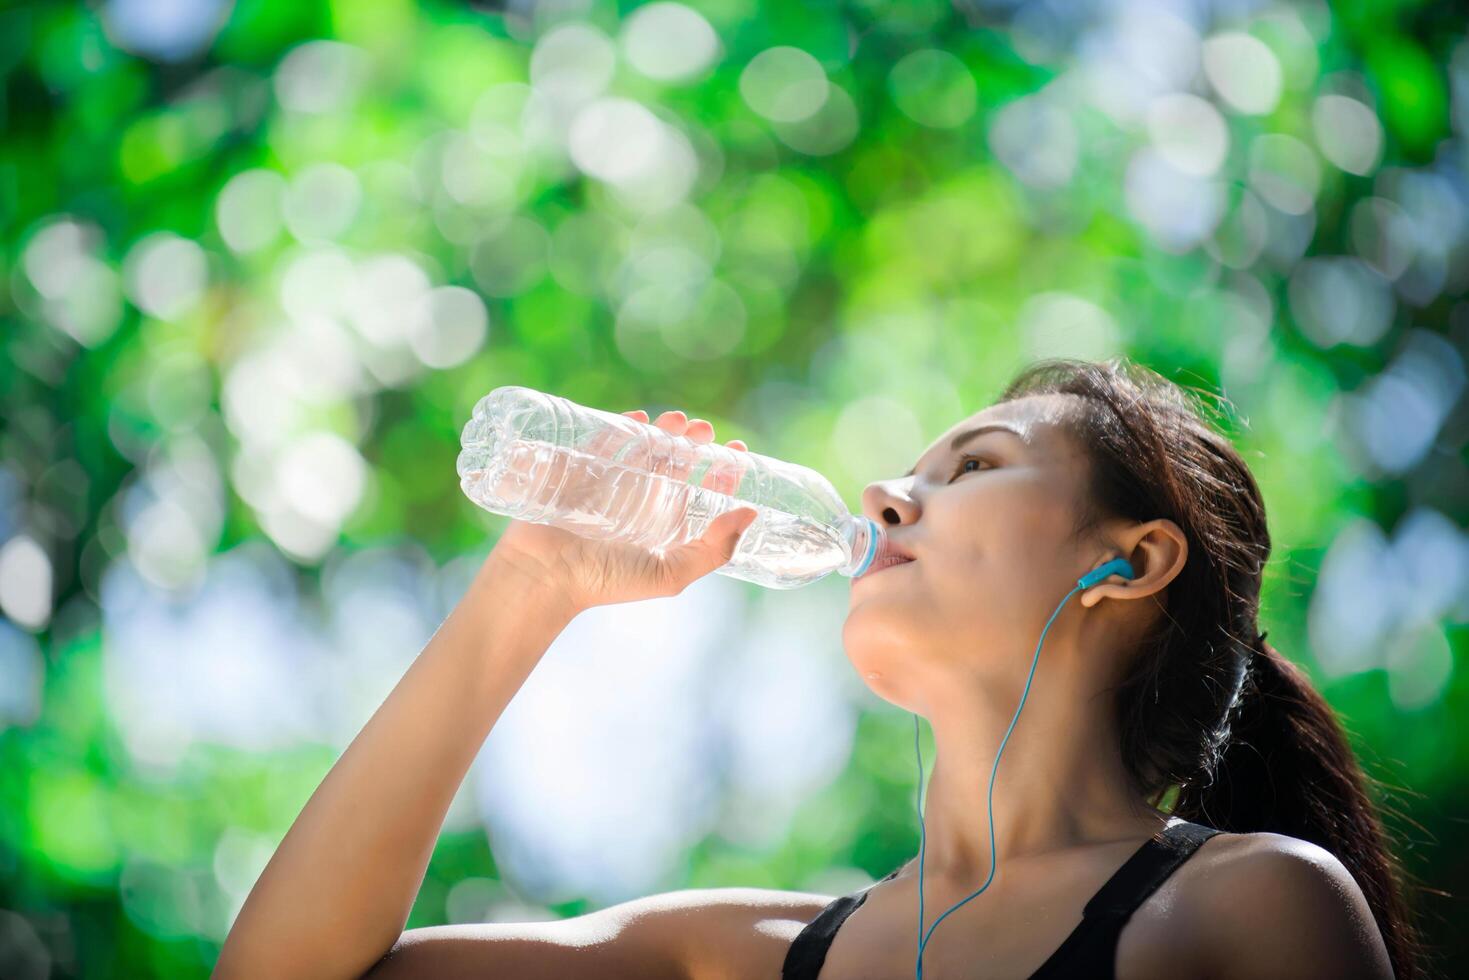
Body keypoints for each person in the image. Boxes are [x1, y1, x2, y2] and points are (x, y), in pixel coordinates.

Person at [214, 357, 1423, 980]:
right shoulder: (739, 949)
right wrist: (528, 586)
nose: (887, 494)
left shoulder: (1247, 902)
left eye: (974, 465)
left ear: (1128, 560)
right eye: (909, 469)